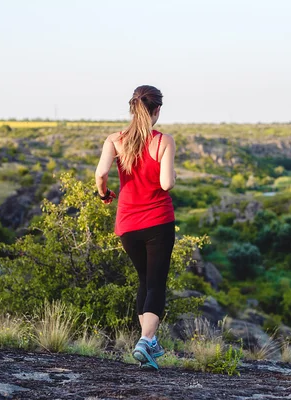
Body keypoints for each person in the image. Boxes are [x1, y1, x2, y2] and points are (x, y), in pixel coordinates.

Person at [95, 85, 176, 370]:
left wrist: (104, 195)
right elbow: (166, 184)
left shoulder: (115, 140)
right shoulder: (163, 140)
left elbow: (101, 173)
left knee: (144, 281)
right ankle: (146, 341)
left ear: (133, 108)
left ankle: (147, 346)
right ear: (157, 110)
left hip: (127, 224)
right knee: (156, 283)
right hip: (158, 222)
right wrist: (172, 172)